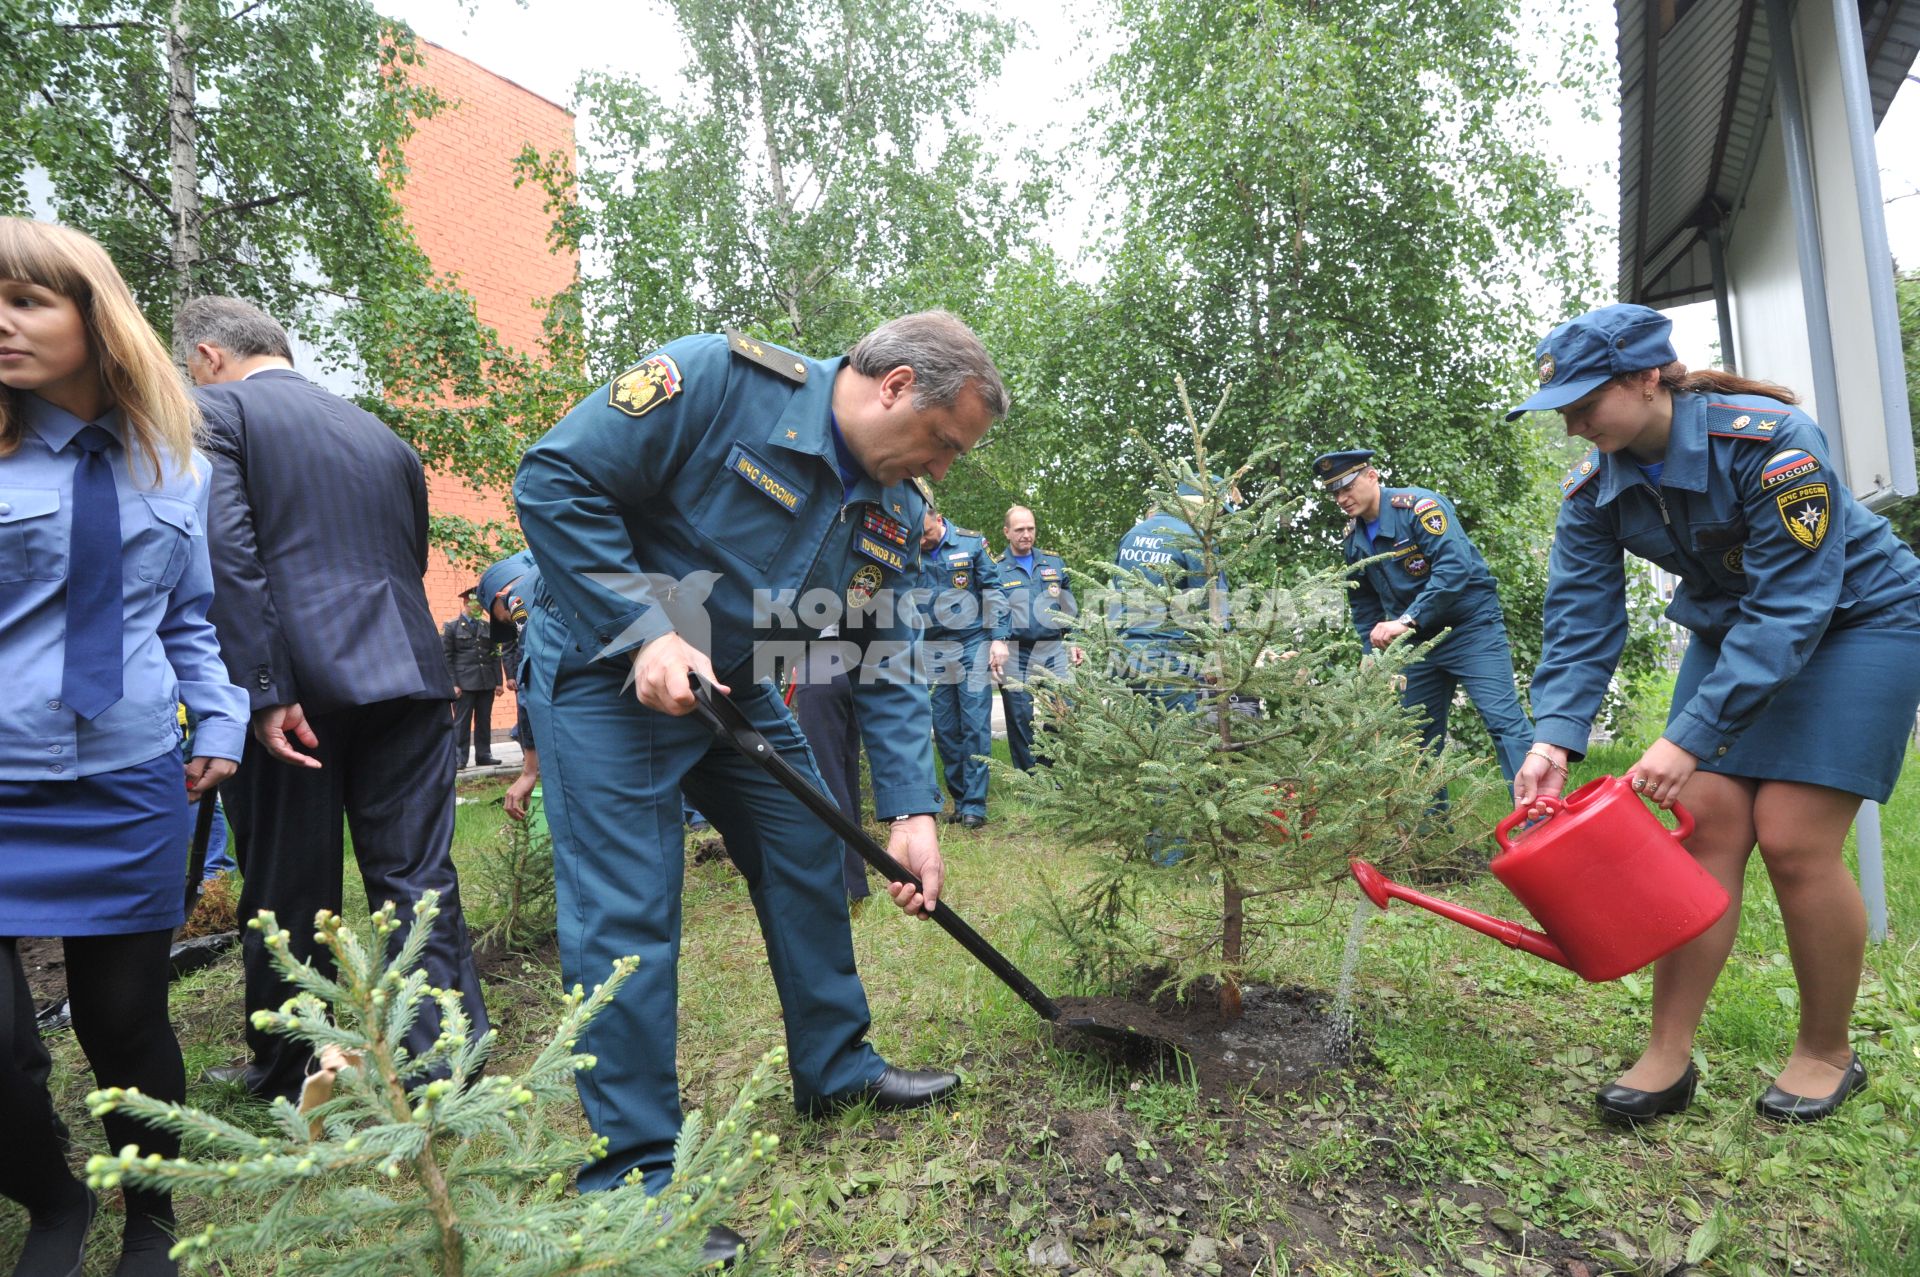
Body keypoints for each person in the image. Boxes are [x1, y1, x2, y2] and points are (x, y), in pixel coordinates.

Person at [513, 314, 1002, 1256]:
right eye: (943, 442)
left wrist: (911, 810)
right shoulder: (719, 379)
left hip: (729, 684)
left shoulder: (891, 511)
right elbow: (555, 478)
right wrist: (647, 624)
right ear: (896, 386)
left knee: (809, 845)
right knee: (628, 915)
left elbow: (885, 655)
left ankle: (836, 1066)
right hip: (608, 673)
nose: (940, 470)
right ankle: (634, 1179)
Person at [1509, 303, 1920, 1125]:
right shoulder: (1595, 489)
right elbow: (1583, 617)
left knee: (1796, 837)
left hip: (1858, 622)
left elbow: (1796, 606)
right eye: (1565, 410)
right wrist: (1554, 736)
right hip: (1735, 630)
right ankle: (1668, 1051)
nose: (1575, 425)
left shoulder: (1769, 440)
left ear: (1645, 377)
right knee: (1703, 824)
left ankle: (1827, 1053)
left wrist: (1685, 735)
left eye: (1588, 402)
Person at [0, 217, 248, 1277]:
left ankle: (153, 1211)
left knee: (125, 1019)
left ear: (93, 314)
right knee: (3, 1051)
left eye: (24, 299)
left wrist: (222, 711)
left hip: (130, 778)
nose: (0, 323)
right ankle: (52, 1197)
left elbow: (185, 614)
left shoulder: (174, 458)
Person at [178, 294, 488, 1104]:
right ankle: (444, 1057)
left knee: (287, 884)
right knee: (418, 876)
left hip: (297, 688)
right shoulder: (382, 434)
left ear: (207, 354)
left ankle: (290, 1067)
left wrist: (260, 687)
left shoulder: (212, 410)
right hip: (410, 673)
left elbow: (223, 548)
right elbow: (410, 553)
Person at [1314, 448, 1533, 805]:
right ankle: (1431, 841)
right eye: (1334, 492)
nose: (1341, 498)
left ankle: (1538, 819)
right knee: (1416, 738)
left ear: (1372, 476)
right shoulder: (1353, 539)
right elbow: (1364, 603)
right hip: (1414, 643)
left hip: (1469, 629)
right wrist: (1372, 655)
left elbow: (1454, 569)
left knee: (1504, 723)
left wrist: (1406, 619)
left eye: (1347, 486)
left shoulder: (1419, 508)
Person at [912, 497, 1007, 827]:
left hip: (971, 641)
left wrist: (999, 637)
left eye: (925, 533)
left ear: (938, 518)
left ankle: (975, 805)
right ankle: (959, 798)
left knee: (975, 724)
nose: (922, 541)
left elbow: (993, 589)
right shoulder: (911, 547)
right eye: (917, 536)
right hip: (934, 647)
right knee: (946, 727)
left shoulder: (970, 543)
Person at [992, 504, 1080, 770]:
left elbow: (1068, 605)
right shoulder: (995, 568)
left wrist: (1074, 639)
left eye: (1031, 528)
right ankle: (1028, 777)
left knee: (1064, 708)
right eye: (1019, 529)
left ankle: (1049, 767)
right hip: (1015, 653)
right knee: (1019, 717)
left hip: (1052, 649)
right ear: (1007, 532)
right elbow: (991, 610)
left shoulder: (1053, 563)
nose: (1026, 534)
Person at [442, 586, 504, 768]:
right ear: (466, 604)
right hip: (463, 684)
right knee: (462, 722)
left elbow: (495, 655)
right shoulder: (451, 627)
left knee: (484, 720)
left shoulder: (487, 626)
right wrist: (452, 684)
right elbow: (447, 658)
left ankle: (483, 755)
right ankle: (459, 758)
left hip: (486, 682)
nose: (479, 608)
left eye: (480, 605)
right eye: (475, 605)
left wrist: (498, 682)